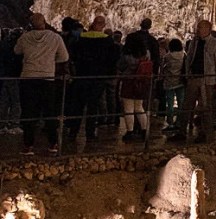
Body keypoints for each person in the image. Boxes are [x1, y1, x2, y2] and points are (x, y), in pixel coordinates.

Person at [15, 12, 69, 154]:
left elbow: (17, 51)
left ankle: (28, 146)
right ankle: (53, 144)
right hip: (47, 79)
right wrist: (49, 62)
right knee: (49, 112)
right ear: (44, 22)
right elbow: (64, 56)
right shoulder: (55, 37)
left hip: (28, 78)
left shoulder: (25, 37)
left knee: (28, 112)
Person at [66, 14, 119, 149]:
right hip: (98, 77)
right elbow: (112, 60)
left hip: (82, 76)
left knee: (78, 105)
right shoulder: (108, 41)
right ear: (103, 26)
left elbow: (73, 55)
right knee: (93, 106)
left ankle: (73, 132)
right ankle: (90, 133)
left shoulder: (82, 39)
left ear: (93, 23)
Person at [184, 20, 216, 142]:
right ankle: (181, 130)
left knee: (206, 107)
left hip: (207, 78)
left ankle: (205, 133)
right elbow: (189, 57)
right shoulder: (194, 41)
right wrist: (187, 72)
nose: (198, 29)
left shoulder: (215, 43)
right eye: (198, 27)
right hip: (194, 76)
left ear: (208, 29)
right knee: (187, 104)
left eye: (200, 27)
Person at [118, 29, 153, 141]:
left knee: (128, 108)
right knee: (139, 107)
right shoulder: (146, 53)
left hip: (129, 81)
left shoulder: (127, 54)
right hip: (141, 82)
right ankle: (144, 131)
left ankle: (130, 132)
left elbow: (120, 66)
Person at [159, 39, 186, 134]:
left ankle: (170, 122)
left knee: (169, 103)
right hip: (181, 81)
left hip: (170, 81)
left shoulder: (167, 56)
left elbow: (162, 68)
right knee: (181, 103)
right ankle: (179, 122)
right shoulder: (184, 55)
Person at [0, 30, 22, 136]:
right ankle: (14, 123)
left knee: (4, 101)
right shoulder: (17, 47)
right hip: (15, 76)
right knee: (16, 101)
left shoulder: (4, 45)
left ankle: (2, 124)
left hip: (5, 76)